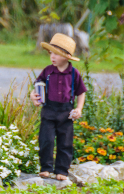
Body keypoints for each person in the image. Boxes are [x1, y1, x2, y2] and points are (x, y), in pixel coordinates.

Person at [30, 33, 87, 181]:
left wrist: (79, 109)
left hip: (66, 112)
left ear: (67, 56)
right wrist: (33, 96)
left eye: (56, 54)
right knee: (46, 140)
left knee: (65, 142)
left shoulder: (74, 73)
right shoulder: (48, 71)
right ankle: (46, 168)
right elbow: (37, 85)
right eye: (51, 53)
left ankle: (62, 170)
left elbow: (81, 93)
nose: (52, 57)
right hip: (49, 111)